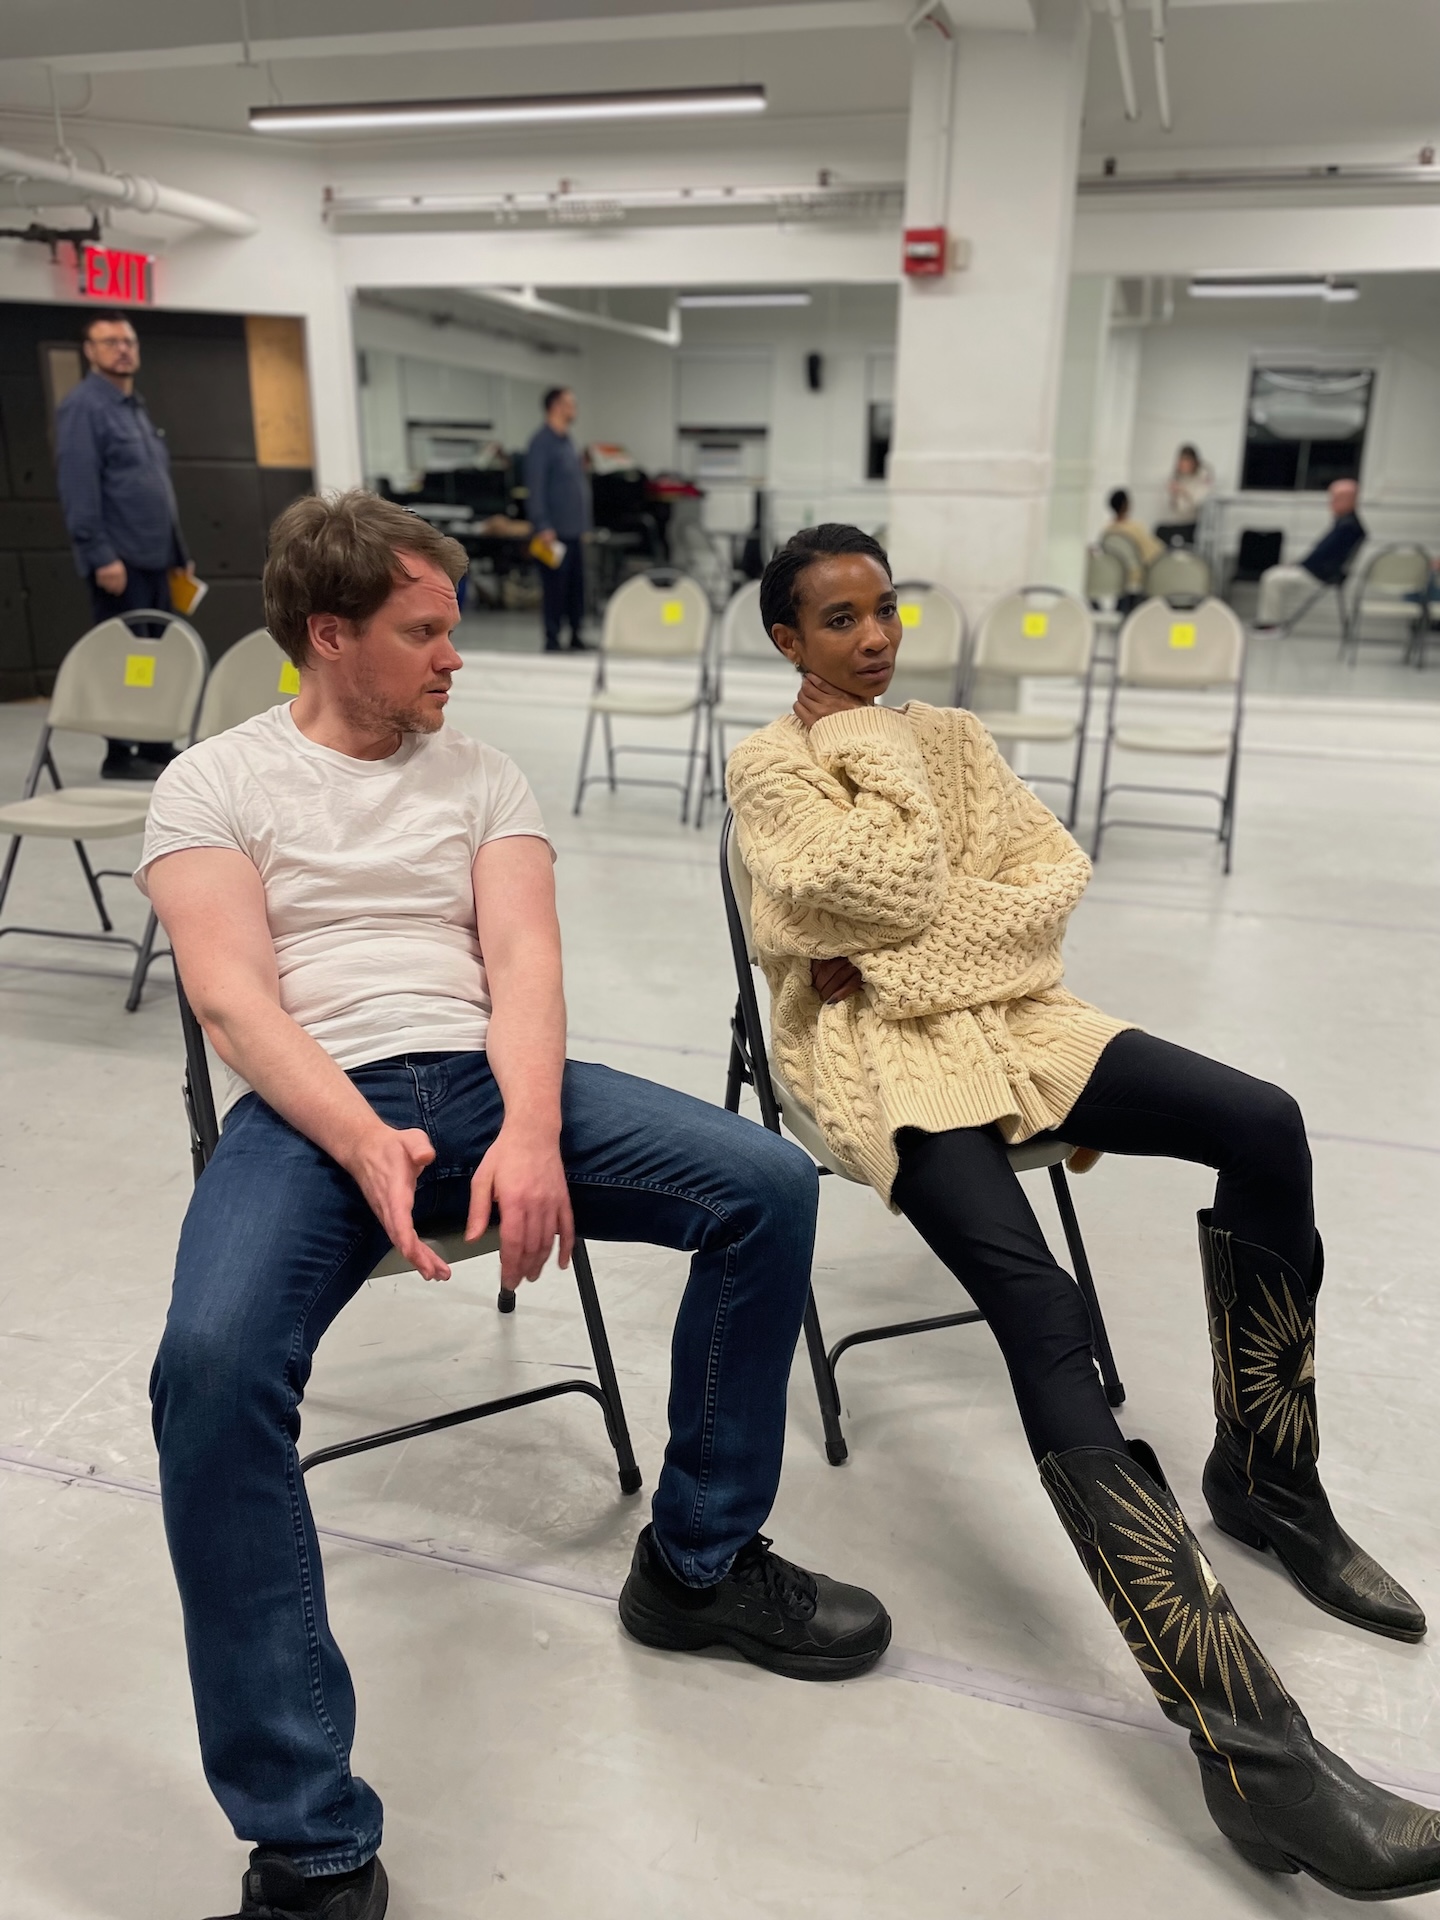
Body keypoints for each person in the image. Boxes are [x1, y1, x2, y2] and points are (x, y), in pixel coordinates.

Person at [136, 490, 888, 1920]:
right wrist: (362, 1141)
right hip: (313, 1110)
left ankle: (699, 1564)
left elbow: (527, 966)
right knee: (209, 1370)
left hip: (492, 1080)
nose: (455, 655)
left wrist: (531, 1133)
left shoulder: (481, 776)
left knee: (765, 1183)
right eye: (424, 632)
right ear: (330, 635)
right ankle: (308, 1836)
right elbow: (232, 999)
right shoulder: (214, 784)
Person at [724, 522, 1440, 1903]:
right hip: (884, 1063)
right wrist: (896, 869)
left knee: (1265, 1121)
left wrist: (904, 950)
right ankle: (1259, 1763)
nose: (875, 638)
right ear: (786, 640)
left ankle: (1269, 1482)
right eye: (840, 620)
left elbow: (1044, 892)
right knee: (1040, 1306)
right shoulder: (770, 767)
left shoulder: (954, 735)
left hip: (1022, 1025)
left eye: (886, 608)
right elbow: (818, 913)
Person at [54, 311, 194, 780]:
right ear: (89, 351)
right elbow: (79, 488)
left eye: (128, 341)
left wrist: (178, 554)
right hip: (120, 561)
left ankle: (155, 744)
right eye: (110, 342)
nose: (122, 349)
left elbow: (156, 488)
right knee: (123, 659)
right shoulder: (83, 408)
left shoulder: (133, 407)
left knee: (156, 656)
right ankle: (118, 753)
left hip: (157, 558)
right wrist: (100, 555)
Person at [523, 386, 591, 652]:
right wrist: (542, 524)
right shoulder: (542, 443)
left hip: (573, 529)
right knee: (555, 586)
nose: (574, 409)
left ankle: (576, 633)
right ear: (556, 407)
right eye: (570, 403)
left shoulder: (567, 441)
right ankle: (552, 637)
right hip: (553, 531)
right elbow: (536, 486)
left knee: (576, 585)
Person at [1255, 478, 1366, 630]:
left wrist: (1299, 565)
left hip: (1320, 575)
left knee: (1272, 578)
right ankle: (1272, 621)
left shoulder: (1347, 527)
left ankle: (1270, 623)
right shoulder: (1347, 524)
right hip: (1321, 571)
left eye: (1336, 499)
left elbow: (1322, 554)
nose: (1331, 503)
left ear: (1350, 500)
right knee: (1275, 575)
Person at [1103, 488, 1162, 597]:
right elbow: (1154, 554)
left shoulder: (1107, 532)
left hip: (1116, 577)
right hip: (1136, 576)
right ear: (1126, 505)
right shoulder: (1134, 528)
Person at [1156, 443, 1213, 547]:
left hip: (1192, 522)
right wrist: (1172, 494)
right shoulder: (1175, 477)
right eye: (1181, 461)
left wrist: (1184, 491)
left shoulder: (1202, 477)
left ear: (1193, 463)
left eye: (1186, 461)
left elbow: (1199, 502)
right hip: (1175, 520)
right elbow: (1167, 504)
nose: (1182, 464)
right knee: (1159, 532)